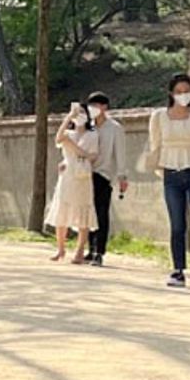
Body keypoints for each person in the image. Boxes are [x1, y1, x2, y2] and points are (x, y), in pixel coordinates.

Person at [141, 72, 190, 293]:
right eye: (179, 91)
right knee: (177, 224)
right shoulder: (159, 116)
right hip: (171, 174)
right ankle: (178, 270)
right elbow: (155, 145)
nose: (183, 95)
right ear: (171, 93)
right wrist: (162, 171)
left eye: (187, 91)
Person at [46, 103, 99, 263]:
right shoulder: (68, 133)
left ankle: (80, 251)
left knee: (83, 211)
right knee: (62, 210)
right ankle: (60, 249)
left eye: (82, 112)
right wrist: (69, 116)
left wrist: (75, 148)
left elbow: (92, 156)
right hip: (67, 175)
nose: (79, 115)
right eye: (77, 112)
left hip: (82, 176)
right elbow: (59, 138)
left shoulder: (92, 135)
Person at [84, 91, 127, 267]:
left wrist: (122, 176)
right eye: (91, 106)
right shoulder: (87, 126)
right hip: (85, 173)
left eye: (97, 105)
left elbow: (120, 154)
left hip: (103, 175)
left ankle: (99, 251)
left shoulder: (115, 128)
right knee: (87, 213)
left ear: (105, 107)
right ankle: (89, 248)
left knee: (101, 214)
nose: (93, 109)